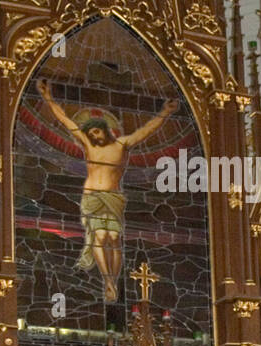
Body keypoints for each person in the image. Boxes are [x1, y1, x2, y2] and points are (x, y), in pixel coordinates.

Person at [39, 83, 177, 301]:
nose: (94, 135)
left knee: (114, 238)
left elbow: (145, 131)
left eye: (96, 131)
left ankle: (113, 277)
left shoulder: (122, 144)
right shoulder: (89, 146)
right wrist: (48, 99)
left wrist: (164, 113)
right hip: (92, 198)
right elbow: (66, 122)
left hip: (112, 198)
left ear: (105, 129)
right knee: (99, 237)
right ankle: (108, 281)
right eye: (90, 133)